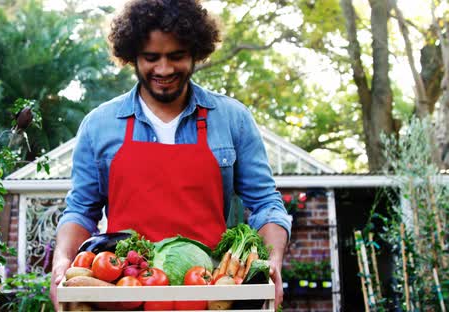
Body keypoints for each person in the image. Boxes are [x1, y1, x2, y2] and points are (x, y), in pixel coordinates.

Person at [50, 0, 291, 309]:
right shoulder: (100, 125)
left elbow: (266, 204)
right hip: (124, 293)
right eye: (151, 58)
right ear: (132, 56)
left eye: (176, 56)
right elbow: (81, 210)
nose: (163, 69)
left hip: (210, 294)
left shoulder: (231, 119)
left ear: (195, 53)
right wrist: (62, 263)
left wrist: (271, 264)